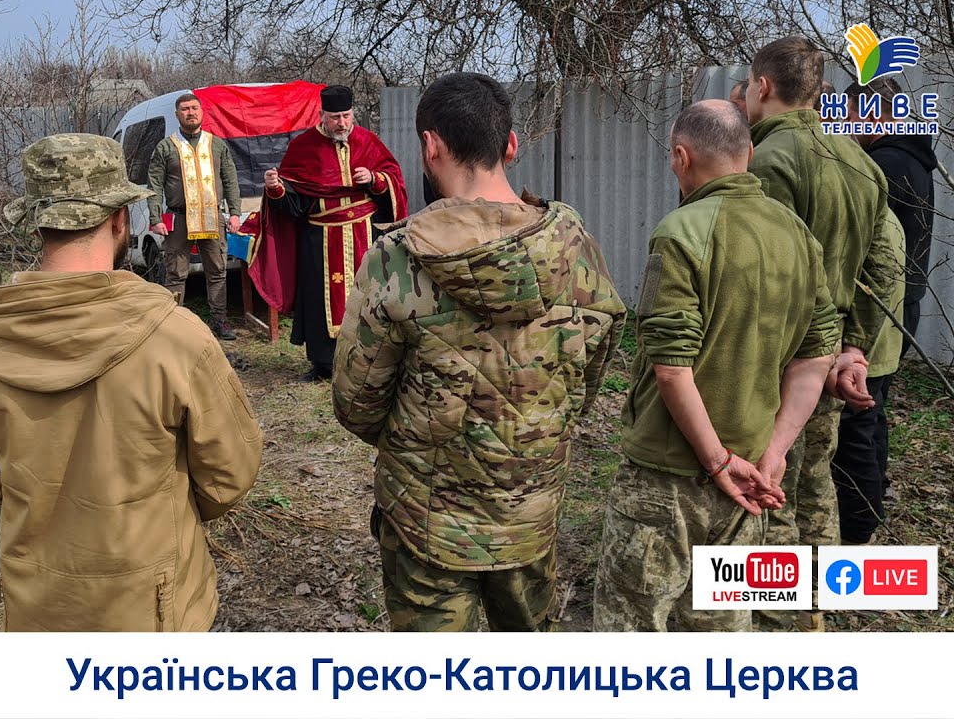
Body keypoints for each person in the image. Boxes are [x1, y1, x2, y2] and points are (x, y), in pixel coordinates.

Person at [333, 73, 626, 631]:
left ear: (430, 146)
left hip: (426, 519)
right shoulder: (578, 250)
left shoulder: (396, 259)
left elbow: (357, 401)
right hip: (530, 513)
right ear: (510, 145)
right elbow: (586, 382)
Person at [0, 134, 262, 631]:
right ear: (119, 220)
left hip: (37, 600)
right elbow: (229, 474)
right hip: (152, 604)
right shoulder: (175, 338)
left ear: (36, 225)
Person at [592, 100, 839, 631]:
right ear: (748, 153)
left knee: (630, 632)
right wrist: (774, 453)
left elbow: (671, 367)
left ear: (680, 157)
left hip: (665, 477)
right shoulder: (798, 234)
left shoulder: (681, 232)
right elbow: (817, 354)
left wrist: (716, 460)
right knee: (721, 631)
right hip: (753, 474)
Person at [745, 36, 899, 631]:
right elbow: (883, 264)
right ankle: (814, 607)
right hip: (831, 357)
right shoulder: (861, 162)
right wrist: (853, 345)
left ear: (762, 86)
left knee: (772, 480)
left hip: (777, 358)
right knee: (816, 478)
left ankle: (779, 621)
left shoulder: (769, 160)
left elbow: (769, 272)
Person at [252, 84, 408, 381]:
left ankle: (370, 358)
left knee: (369, 294)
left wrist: (374, 178)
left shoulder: (368, 141)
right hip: (320, 238)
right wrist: (276, 189)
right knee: (319, 300)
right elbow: (295, 203)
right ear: (322, 115)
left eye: (346, 116)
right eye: (335, 117)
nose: (342, 123)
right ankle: (324, 364)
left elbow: (393, 183)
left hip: (363, 233)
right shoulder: (303, 147)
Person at [846, 79, 936, 364]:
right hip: (904, 302)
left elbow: (859, 242)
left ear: (872, 116)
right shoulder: (913, 157)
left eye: (849, 117)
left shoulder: (883, 165)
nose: (845, 127)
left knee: (860, 391)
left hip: (880, 308)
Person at [831, 208, 905, 544]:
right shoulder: (886, 215)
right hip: (880, 348)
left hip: (861, 354)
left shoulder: (863, 217)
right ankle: (871, 513)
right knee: (870, 430)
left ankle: (858, 529)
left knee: (853, 441)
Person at [145, 93, 242, 340]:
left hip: (212, 216)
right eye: (185, 109)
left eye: (194, 108)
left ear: (202, 112)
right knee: (175, 273)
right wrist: (156, 218)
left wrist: (234, 213)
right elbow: (154, 184)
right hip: (179, 219)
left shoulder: (216, 144)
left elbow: (230, 180)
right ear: (177, 114)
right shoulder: (166, 147)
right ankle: (174, 325)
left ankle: (219, 321)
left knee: (218, 270)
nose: (191, 112)